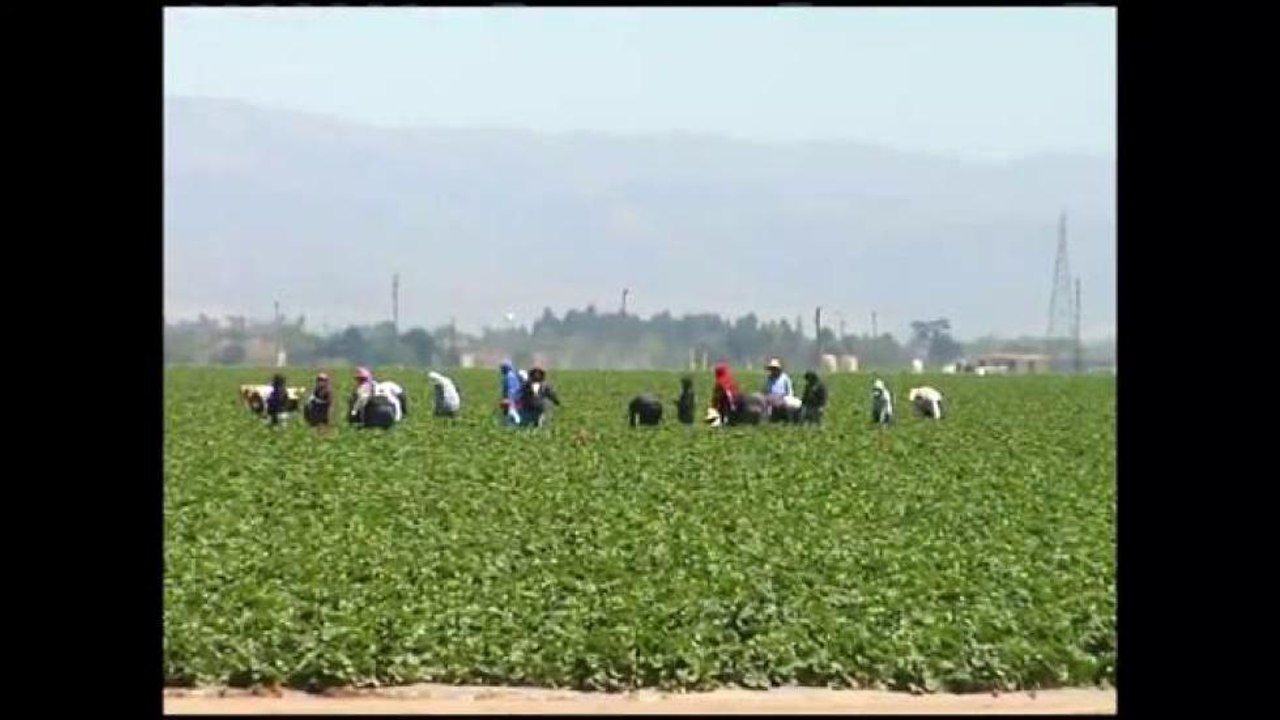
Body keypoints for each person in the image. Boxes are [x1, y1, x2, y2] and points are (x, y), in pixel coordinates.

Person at [762, 357, 798, 422]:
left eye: (774, 369)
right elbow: (766, 390)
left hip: (782, 399)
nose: (773, 371)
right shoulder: (769, 379)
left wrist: (786, 399)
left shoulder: (785, 378)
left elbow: (790, 392)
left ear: (779, 369)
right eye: (772, 369)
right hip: (771, 399)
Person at [498, 361, 523, 426]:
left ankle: (515, 425)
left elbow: (511, 389)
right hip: (514, 399)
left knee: (512, 414)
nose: (501, 370)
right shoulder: (510, 376)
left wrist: (509, 399)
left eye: (502, 368)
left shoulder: (510, 376)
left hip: (513, 400)